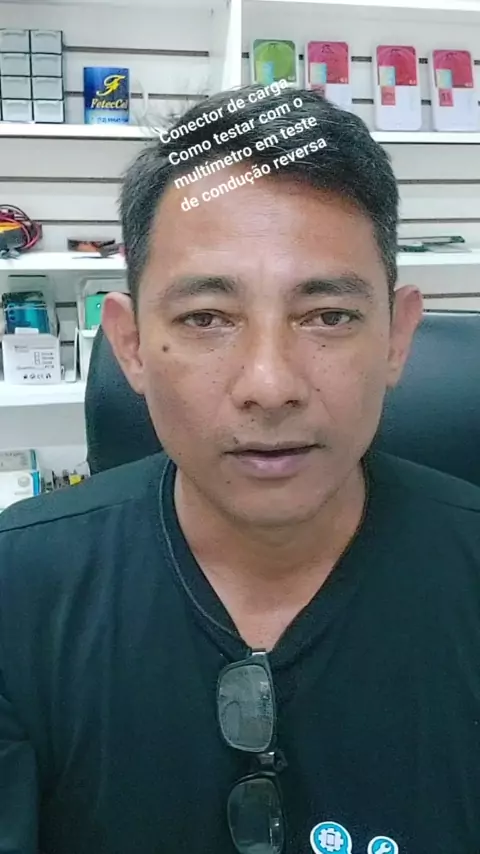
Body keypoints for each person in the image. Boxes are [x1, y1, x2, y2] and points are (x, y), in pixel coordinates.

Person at [0, 84, 479, 854]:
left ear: (397, 338)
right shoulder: (18, 592)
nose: (269, 384)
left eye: (328, 316)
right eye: (206, 318)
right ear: (129, 345)